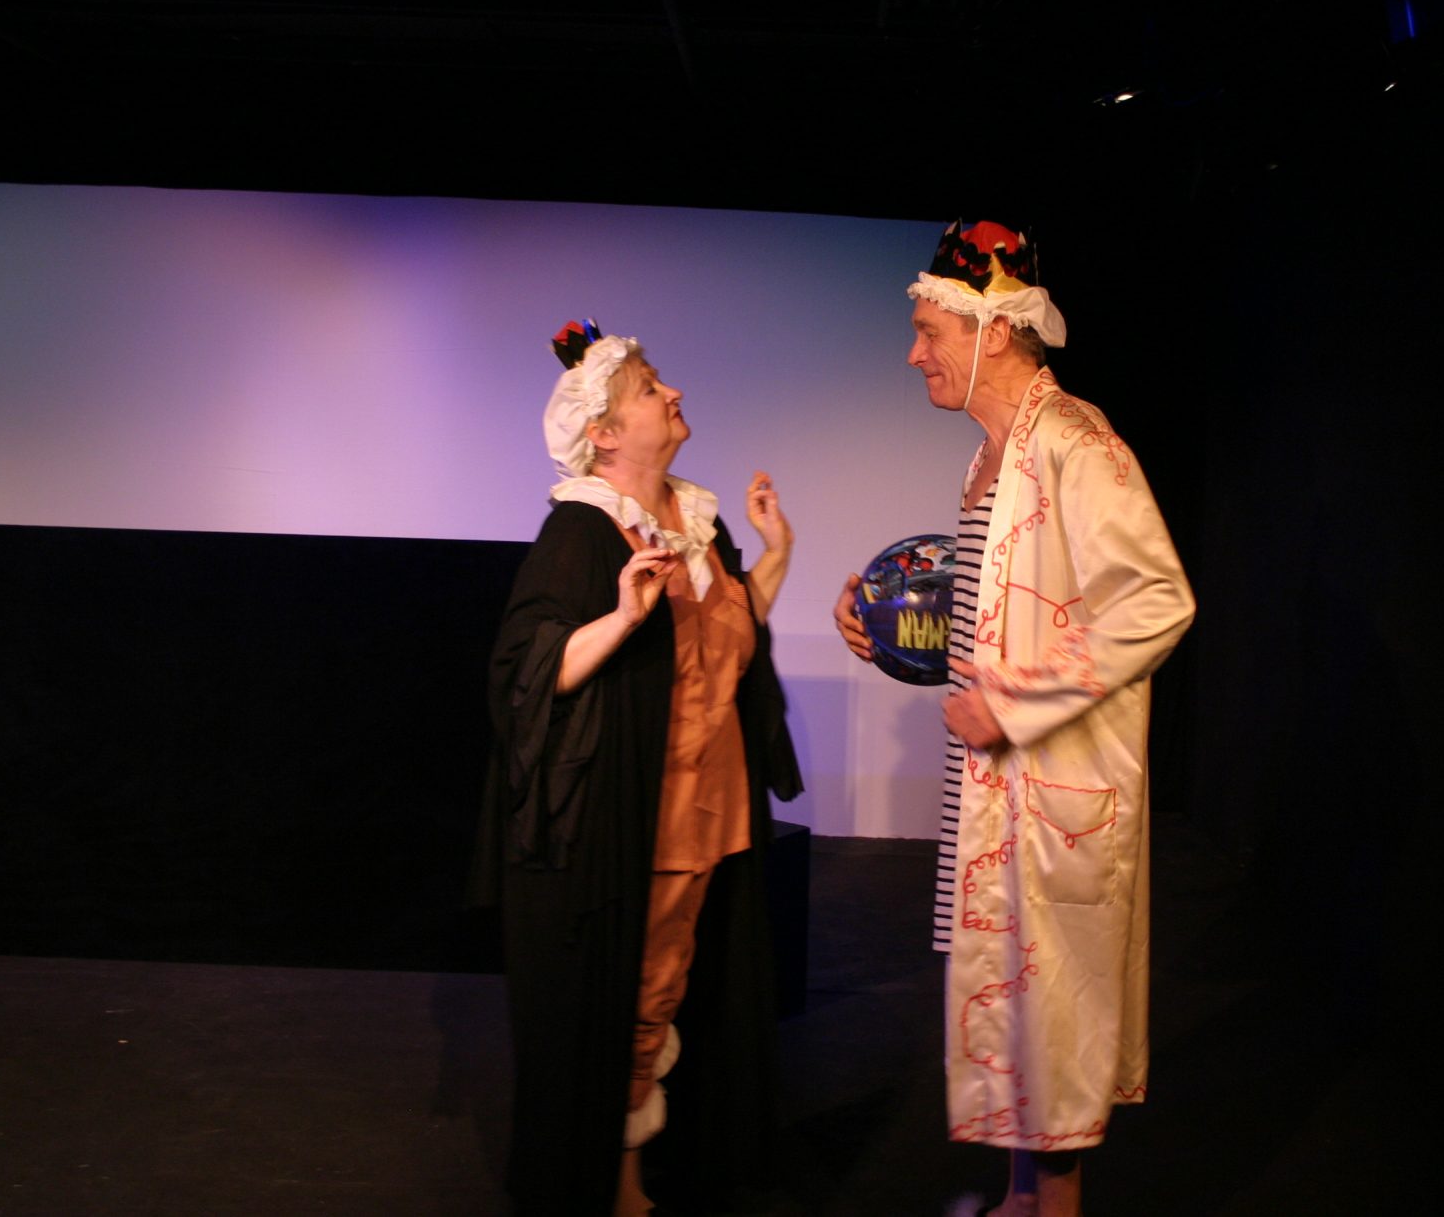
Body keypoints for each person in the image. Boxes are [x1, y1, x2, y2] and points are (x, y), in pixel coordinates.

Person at [832, 223, 1194, 1217]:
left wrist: (1015, 702)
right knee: (1021, 1020)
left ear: (991, 329)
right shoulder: (992, 457)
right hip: (1003, 793)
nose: (913, 353)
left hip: (1056, 795)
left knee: (1055, 1026)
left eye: (927, 330)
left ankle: (1048, 1207)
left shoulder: (1075, 441)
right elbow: (1004, 610)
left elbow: (1156, 600)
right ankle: (1017, 1199)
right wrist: (884, 627)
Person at [471, 320, 801, 1216]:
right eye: (652, 388)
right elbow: (526, 671)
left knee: (677, 984)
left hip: (713, 806)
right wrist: (619, 617)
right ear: (606, 433)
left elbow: (725, 638)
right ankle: (615, 1186)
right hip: (641, 815)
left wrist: (776, 553)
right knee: (639, 994)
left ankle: (658, 1165)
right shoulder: (583, 532)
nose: (674, 392)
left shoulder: (697, 519)